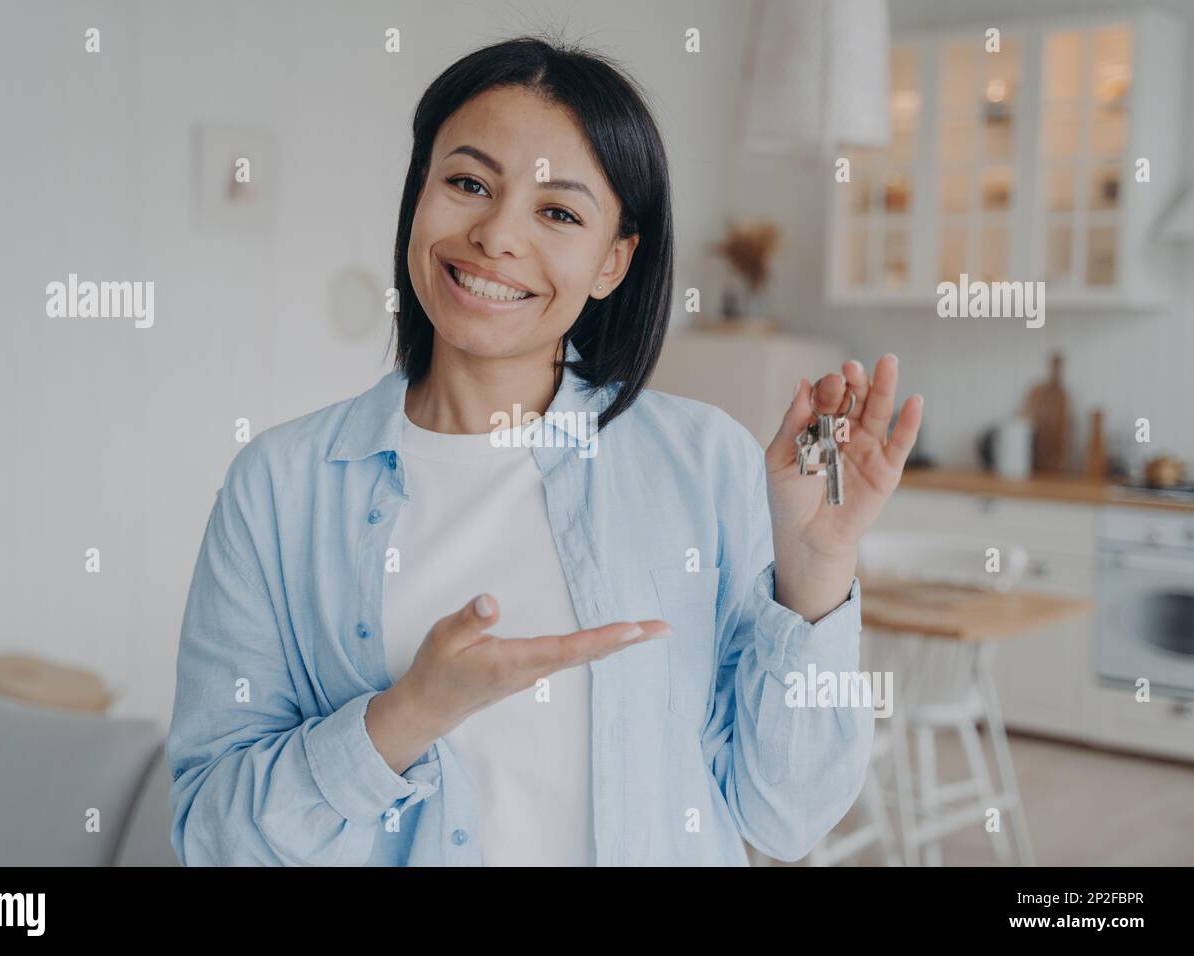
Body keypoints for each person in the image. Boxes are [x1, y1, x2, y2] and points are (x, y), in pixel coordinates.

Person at [166, 35, 923, 866]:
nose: (495, 235)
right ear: (418, 195)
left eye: (558, 211)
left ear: (613, 261)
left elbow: (789, 816)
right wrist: (406, 715)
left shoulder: (704, 463)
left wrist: (814, 574)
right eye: (467, 182)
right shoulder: (278, 488)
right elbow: (212, 836)